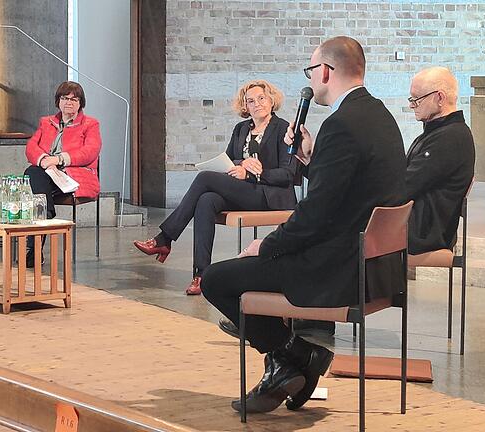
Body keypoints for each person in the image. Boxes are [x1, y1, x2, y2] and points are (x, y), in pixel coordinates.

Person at [201, 36, 406, 414]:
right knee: (247, 270)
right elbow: (345, 194)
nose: (311, 79)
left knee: (216, 279)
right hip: (376, 266)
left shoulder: (342, 125)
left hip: (337, 267)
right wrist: (312, 160)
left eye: (311, 71)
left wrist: (268, 244)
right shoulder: (380, 116)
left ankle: (294, 355)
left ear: (326, 71)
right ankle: (290, 363)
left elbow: (314, 214)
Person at [133, 80, 299, 295]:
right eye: (250, 101)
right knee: (206, 201)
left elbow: (287, 174)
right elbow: (230, 162)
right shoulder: (241, 129)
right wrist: (241, 164)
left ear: (271, 100)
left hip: (270, 195)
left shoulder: (284, 129)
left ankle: (164, 239)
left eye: (261, 98)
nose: (257, 104)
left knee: (204, 179)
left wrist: (253, 173)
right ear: (245, 106)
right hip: (244, 191)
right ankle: (202, 274)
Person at [24, 81, 101, 267]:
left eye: (74, 99)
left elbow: (91, 151)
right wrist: (43, 159)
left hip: (74, 177)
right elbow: (31, 147)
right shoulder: (46, 122)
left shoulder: (90, 124)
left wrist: (58, 160)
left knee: (32, 177)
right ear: (58, 101)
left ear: (81, 103)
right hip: (47, 176)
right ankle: (46, 215)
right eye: (65, 98)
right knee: (34, 171)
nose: (69, 102)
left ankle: (36, 241)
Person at [406, 67, 475, 255]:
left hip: (424, 233)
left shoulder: (450, 138)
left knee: (347, 230)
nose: (412, 105)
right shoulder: (439, 132)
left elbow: (406, 186)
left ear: (440, 98)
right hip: (418, 225)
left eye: (417, 99)